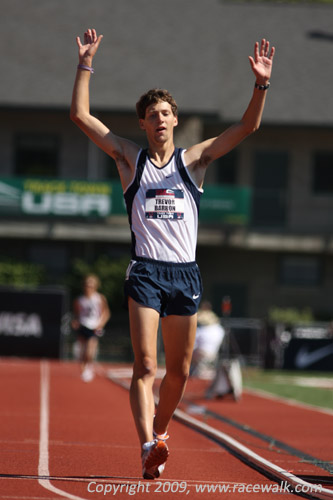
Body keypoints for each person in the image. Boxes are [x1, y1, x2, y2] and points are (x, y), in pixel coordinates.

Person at [70, 29, 275, 478]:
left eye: (165, 113)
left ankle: (159, 433)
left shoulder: (194, 161)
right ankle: (147, 444)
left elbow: (247, 128)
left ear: (175, 120)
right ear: (142, 124)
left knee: (178, 374)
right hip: (145, 272)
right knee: (145, 365)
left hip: (185, 275)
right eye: (151, 115)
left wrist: (260, 85)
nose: (159, 119)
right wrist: (86, 63)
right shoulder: (129, 159)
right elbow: (81, 116)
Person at [71, 273, 111, 382]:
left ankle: (89, 366)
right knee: (82, 351)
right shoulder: (79, 300)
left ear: (95, 286)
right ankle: (84, 370)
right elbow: (76, 314)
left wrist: (100, 324)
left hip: (94, 326)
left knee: (90, 351)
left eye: (91, 285)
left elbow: (106, 313)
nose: (89, 287)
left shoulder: (100, 298)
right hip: (83, 325)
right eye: (87, 285)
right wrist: (75, 322)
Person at [190, 302, 225, 378]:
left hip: (201, 355)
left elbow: (193, 345)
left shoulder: (202, 330)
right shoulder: (219, 329)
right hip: (213, 354)